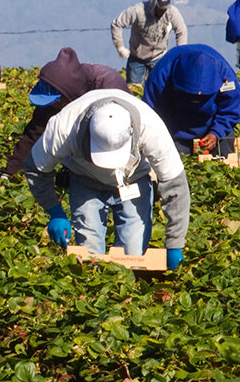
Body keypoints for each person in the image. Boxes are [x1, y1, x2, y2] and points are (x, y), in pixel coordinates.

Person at [24, 90, 190, 268]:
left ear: (133, 129)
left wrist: (174, 243)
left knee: (133, 257)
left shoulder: (150, 126)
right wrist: (54, 211)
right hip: (85, 179)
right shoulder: (65, 126)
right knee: (88, 255)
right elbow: (35, 169)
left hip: (133, 180)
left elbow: (176, 188)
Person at [1, 47, 129, 177]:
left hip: (113, 150)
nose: (51, 105)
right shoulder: (54, 87)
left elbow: (118, 134)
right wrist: (9, 173)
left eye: (54, 101)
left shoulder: (108, 86)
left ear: (67, 95)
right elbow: (32, 136)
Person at [141, 44, 240, 151]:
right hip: (174, 130)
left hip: (212, 126)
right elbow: (151, 114)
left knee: (225, 148)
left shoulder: (226, 77)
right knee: (172, 163)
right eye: (190, 96)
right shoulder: (161, 75)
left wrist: (216, 133)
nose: (196, 101)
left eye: (203, 97)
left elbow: (231, 111)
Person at [109, 0, 187, 86]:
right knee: (133, 90)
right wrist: (120, 47)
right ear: (154, 3)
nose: (162, 11)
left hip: (159, 57)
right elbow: (117, 24)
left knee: (160, 88)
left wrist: (179, 53)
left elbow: (181, 31)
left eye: (165, 8)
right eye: (160, 8)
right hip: (137, 58)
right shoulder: (138, 11)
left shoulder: (171, 12)